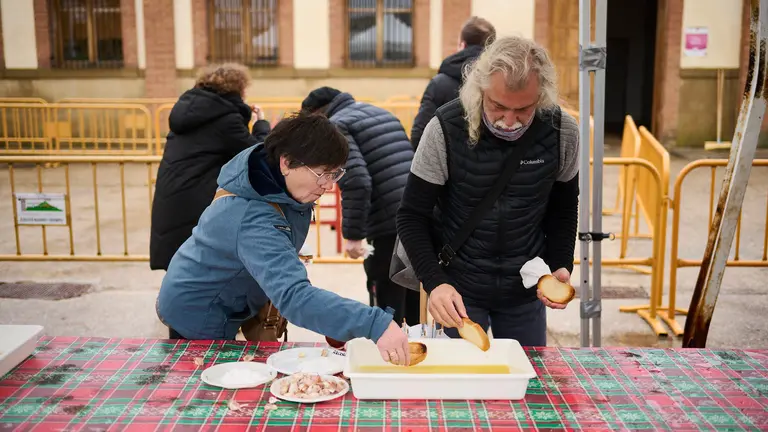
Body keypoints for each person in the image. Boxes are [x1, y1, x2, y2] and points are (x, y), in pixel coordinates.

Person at [155, 111, 411, 365]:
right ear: (286, 163)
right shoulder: (252, 214)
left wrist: (333, 315)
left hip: (229, 298)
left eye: (336, 174)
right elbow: (294, 297)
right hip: (197, 309)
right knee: (211, 390)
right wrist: (375, 324)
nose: (329, 185)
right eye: (323, 174)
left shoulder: (277, 182)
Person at [395, 35, 580, 346]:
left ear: (543, 96)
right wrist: (435, 282)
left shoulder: (563, 132)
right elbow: (411, 215)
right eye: (498, 106)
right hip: (458, 290)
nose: (509, 121)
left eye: (524, 109)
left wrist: (561, 264)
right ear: (479, 90)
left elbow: (563, 208)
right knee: (460, 386)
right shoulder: (443, 129)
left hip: (525, 291)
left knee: (529, 383)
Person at [300, 87, 419, 326]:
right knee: (413, 291)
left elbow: (356, 181)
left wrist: (354, 236)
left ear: (316, 114)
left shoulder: (336, 126)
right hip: (416, 213)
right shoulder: (379, 112)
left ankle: (390, 355)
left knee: (386, 299)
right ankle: (418, 350)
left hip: (387, 224)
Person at [150, 63, 271, 271]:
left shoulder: (188, 113)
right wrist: (261, 124)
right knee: (202, 272)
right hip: (197, 201)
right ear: (237, 90)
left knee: (182, 271)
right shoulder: (226, 119)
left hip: (172, 200)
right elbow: (258, 155)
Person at [410, 16, 496, 150]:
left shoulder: (440, 83)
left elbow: (420, 134)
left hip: (446, 164)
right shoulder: (499, 83)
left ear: (462, 45)